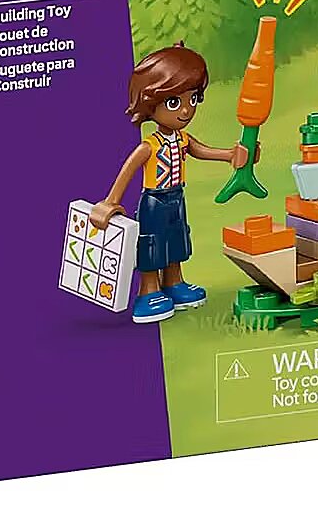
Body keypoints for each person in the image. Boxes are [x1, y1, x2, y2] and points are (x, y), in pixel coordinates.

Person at [91, 43, 251, 323]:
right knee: (152, 244)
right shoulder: (149, 146)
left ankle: (174, 283)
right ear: (149, 102)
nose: (187, 110)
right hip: (154, 201)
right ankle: (148, 291)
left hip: (176, 198)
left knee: (177, 239)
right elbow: (128, 170)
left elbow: (201, 151)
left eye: (193, 99)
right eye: (174, 102)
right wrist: (111, 202)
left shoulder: (182, 139)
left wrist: (231, 155)